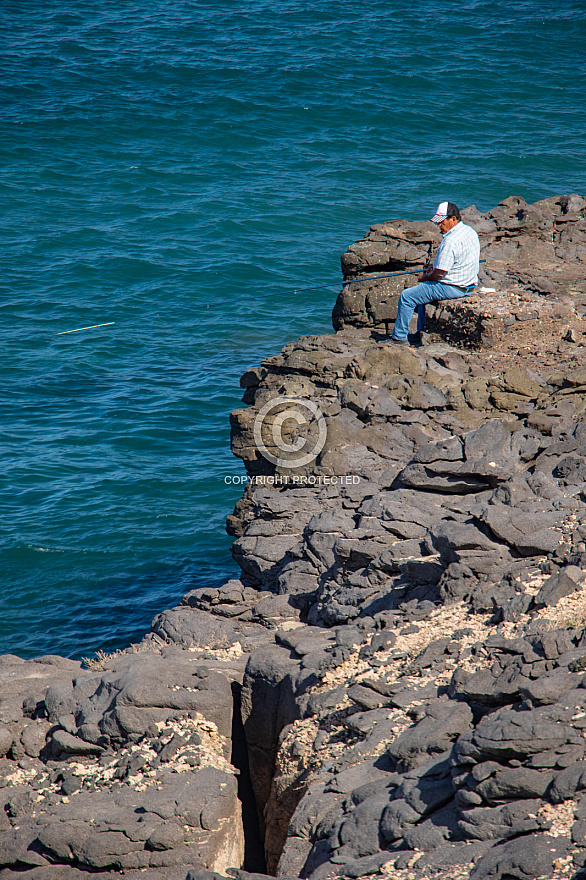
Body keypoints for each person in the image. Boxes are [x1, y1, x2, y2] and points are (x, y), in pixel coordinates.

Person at [389, 201, 480, 346]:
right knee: (423, 291)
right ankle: (420, 334)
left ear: (454, 219)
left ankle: (399, 338)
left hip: (453, 287)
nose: (439, 226)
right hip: (469, 285)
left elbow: (439, 274)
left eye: (441, 222)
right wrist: (435, 266)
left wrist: (424, 277)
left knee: (407, 297)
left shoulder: (450, 241)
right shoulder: (470, 232)